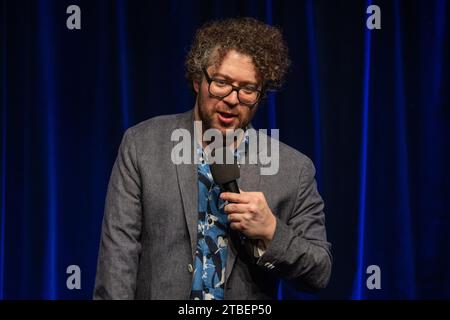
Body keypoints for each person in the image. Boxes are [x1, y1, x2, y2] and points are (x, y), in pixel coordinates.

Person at [94, 17, 331, 300]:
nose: (232, 99)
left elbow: (319, 272)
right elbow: (117, 261)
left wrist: (271, 230)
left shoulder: (294, 170)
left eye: (247, 89)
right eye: (221, 83)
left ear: (261, 94)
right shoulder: (142, 145)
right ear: (198, 79)